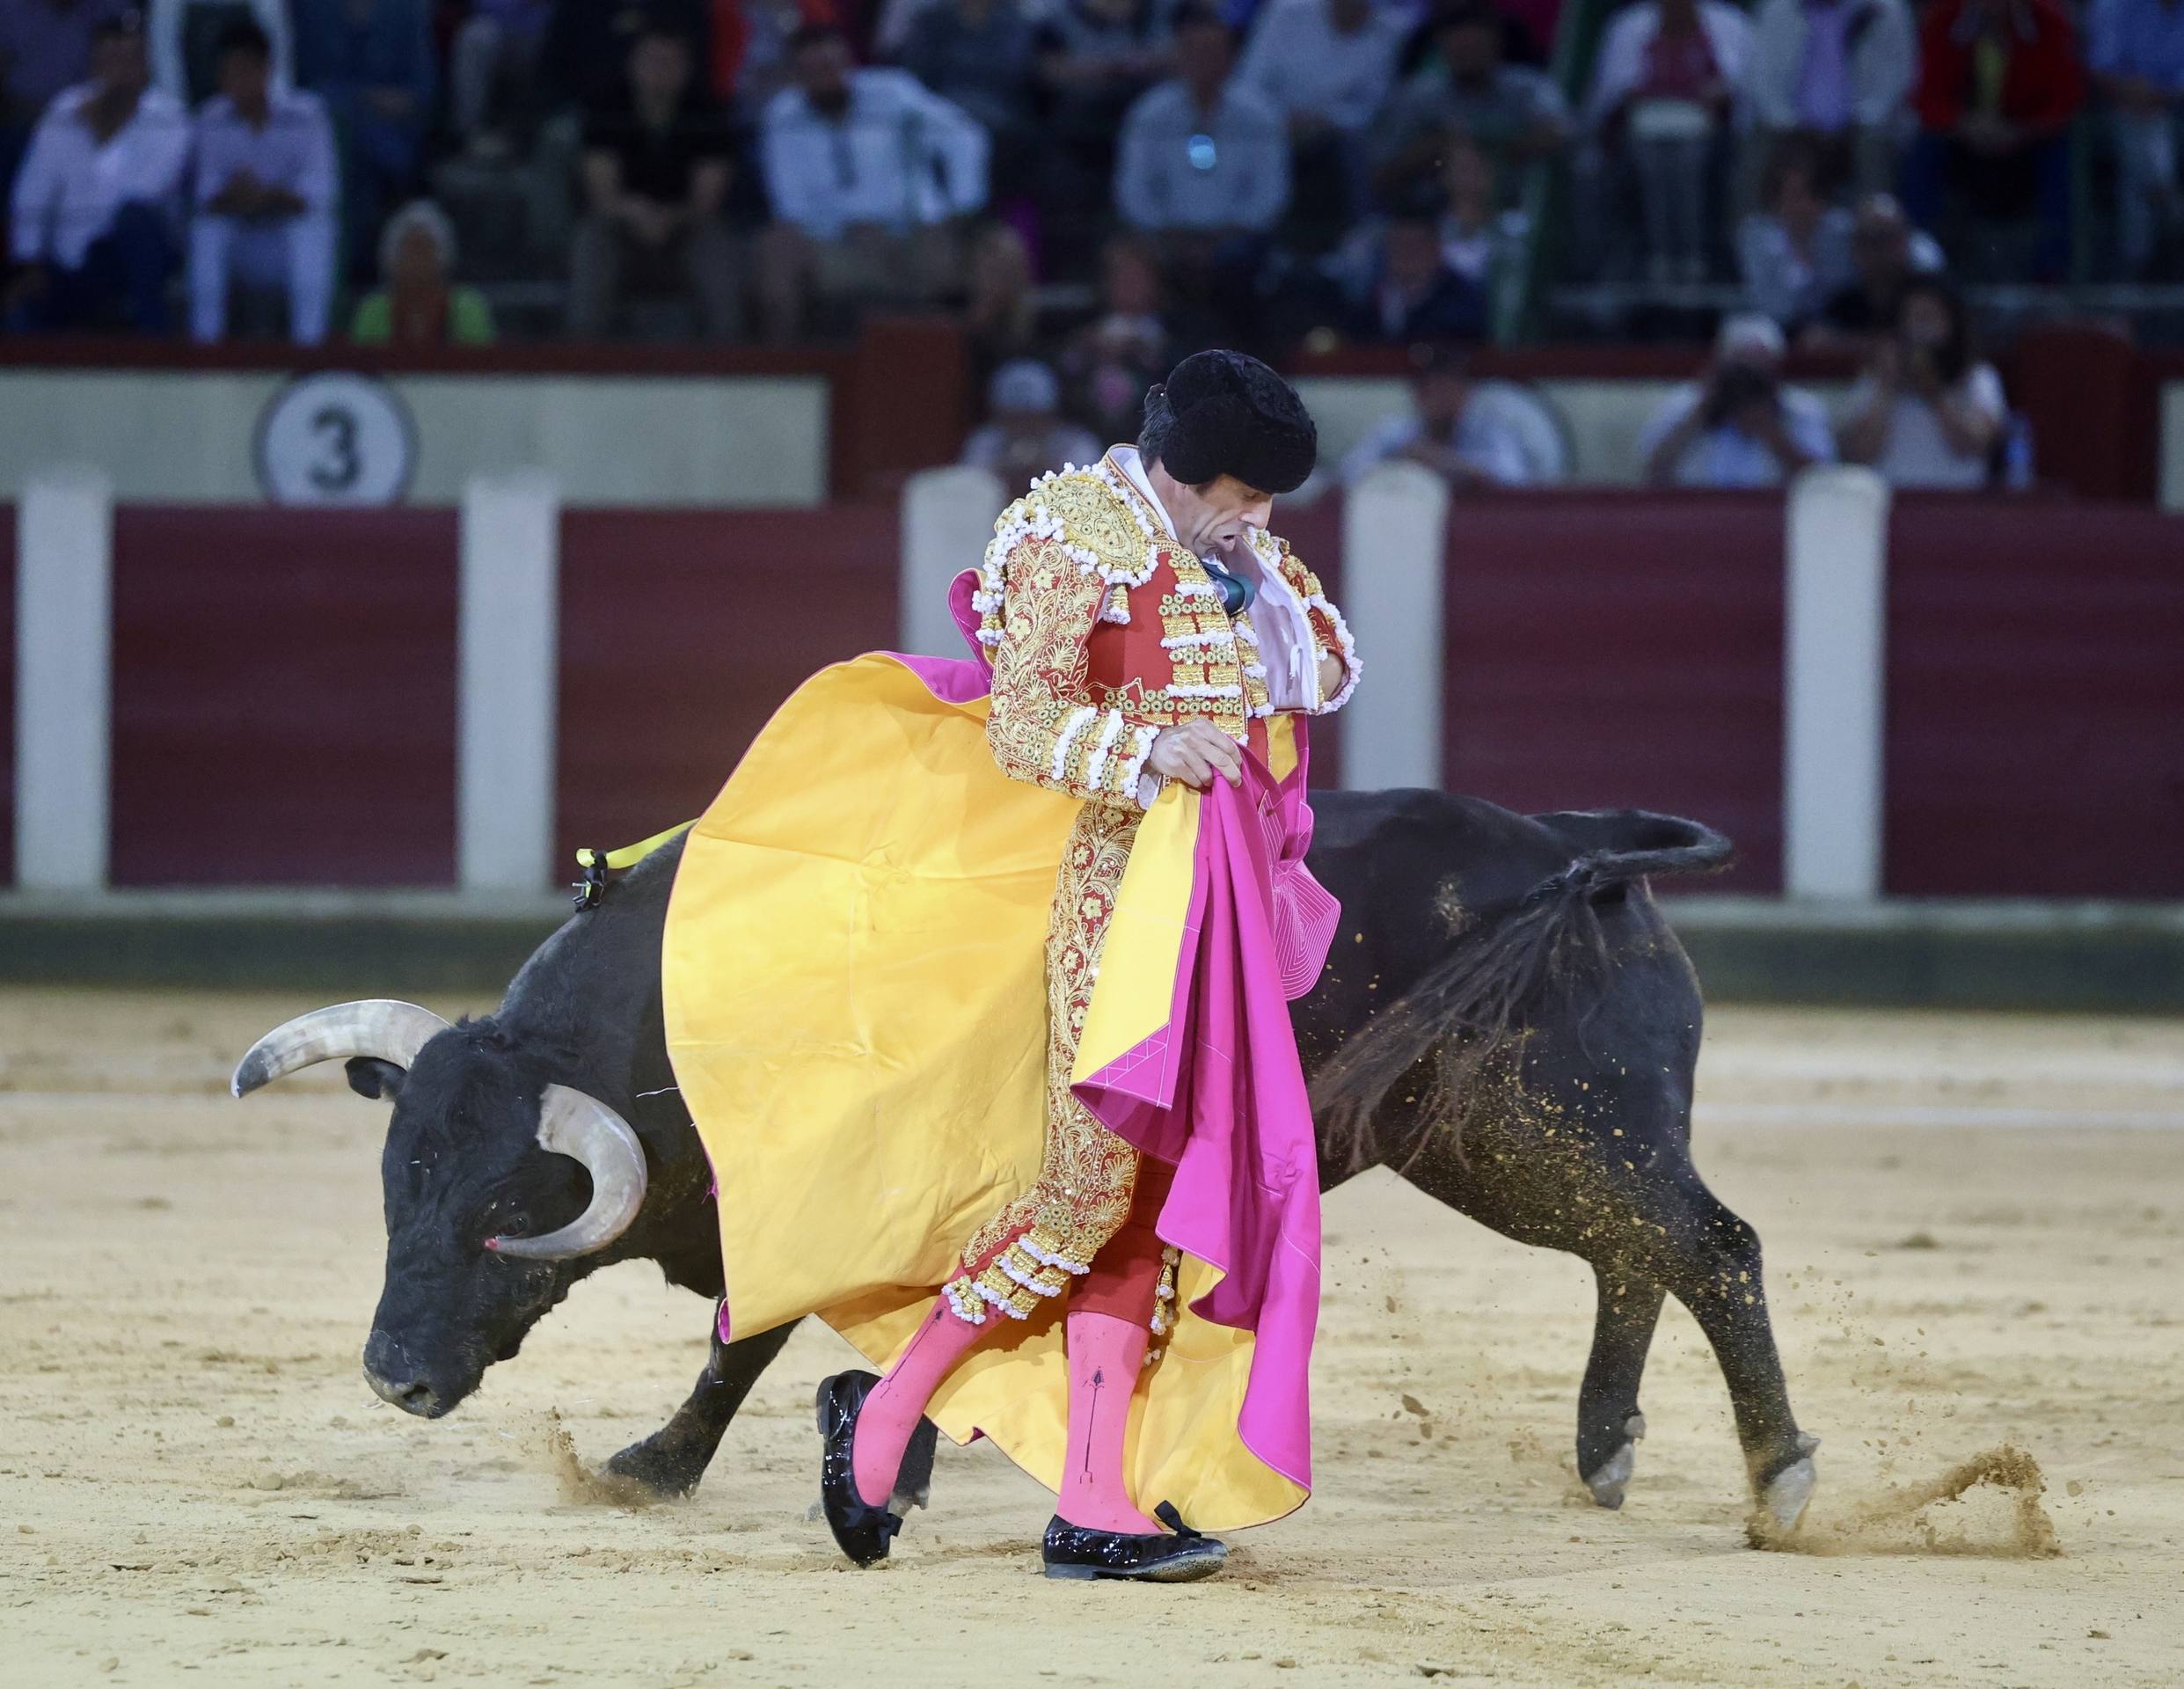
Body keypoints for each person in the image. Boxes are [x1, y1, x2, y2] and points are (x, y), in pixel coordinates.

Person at [668, 351, 1354, 1583]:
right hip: (1104, 900)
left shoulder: (1242, 554)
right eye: (1245, 496)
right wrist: (1147, 751)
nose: (1260, 518)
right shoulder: (1070, 531)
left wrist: (1252, 585)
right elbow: (1026, 723)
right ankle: (885, 1414)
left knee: (1153, 1203)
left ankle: (1091, 1503)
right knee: (1084, 1192)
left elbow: (1331, 672)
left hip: (1218, 914)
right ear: (1186, 471)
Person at [756, 20, 989, 342]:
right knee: (777, 249)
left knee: (997, 252)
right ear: (797, 76)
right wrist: (844, 228)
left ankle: (975, 359)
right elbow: (789, 203)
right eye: (814, 71)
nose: (827, 77)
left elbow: (963, 136)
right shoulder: (783, 117)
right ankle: (788, 366)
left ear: (848, 62)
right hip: (838, 246)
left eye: (833, 66)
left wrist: (961, 209)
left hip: (915, 236)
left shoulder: (893, 93)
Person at [5, 10, 187, 333]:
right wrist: (30, 262)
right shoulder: (63, 112)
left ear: (145, 65)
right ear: (93, 65)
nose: (120, 72)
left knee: (137, 223)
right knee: (20, 313)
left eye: (130, 60)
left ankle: (154, 345)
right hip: (67, 263)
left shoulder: (170, 120)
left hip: (128, 259)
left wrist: (102, 129)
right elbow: (31, 194)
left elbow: (142, 195)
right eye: (111, 60)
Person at [570, 21, 741, 339]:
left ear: (688, 68)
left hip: (686, 231)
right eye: (653, 60)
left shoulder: (709, 113)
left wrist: (669, 217)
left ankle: (728, 352)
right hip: (622, 230)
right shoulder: (606, 108)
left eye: (672, 62)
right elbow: (602, 193)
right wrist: (632, 212)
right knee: (593, 237)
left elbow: (707, 200)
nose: (662, 70)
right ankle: (582, 350)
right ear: (632, 64)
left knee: (715, 242)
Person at [1904, 0, 2084, 281]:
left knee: (2061, 157)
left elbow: (2064, 98)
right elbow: (1927, 97)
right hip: (1965, 144)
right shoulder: (1944, 20)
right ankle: (1916, 264)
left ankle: (2051, 272)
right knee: (1926, 150)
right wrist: (1965, 125)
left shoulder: (2049, 22)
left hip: (2026, 144)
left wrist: (2021, 131)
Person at [186, 19, 336, 345]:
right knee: (207, 231)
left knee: (313, 230)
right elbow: (205, 194)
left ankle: (309, 347)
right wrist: (238, 195)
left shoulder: (307, 115)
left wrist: (266, 195)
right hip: (238, 246)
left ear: (266, 69)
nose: (235, 82)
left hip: (285, 247)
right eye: (227, 73)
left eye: (243, 71)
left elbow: (320, 192)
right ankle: (204, 346)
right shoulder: (210, 118)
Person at [1583, 0, 1755, 283]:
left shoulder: (1726, 25)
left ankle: (1692, 254)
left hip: (1706, 132)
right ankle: (1660, 253)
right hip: (1643, 131)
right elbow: (1610, 93)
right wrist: (1640, 96)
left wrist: (1718, 94)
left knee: (1686, 166)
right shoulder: (1631, 26)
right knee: (1655, 170)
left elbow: (1741, 89)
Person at [1113, 4, 1289, 238]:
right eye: (1193, 53)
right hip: (1164, 239)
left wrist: (1231, 231)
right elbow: (1134, 191)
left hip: (1239, 239)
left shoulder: (1259, 116)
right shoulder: (1150, 114)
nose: (1203, 62)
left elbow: (1269, 193)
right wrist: (1166, 231)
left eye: (1211, 53)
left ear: (1230, 58)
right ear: (1179, 55)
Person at [293, 0, 436, 285]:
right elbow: (306, 85)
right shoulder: (311, 9)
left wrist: (379, 102)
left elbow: (422, 91)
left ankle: (348, 266)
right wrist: (363, 99)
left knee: (359, 152)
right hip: (332, 133)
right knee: (346, 141)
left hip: (392, 134)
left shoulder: (407, 10)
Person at [1236, 0, 1410, 226]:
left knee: (1356, 151)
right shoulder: (1286, 12)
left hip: (1335, 136)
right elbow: (1249, 82)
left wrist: (1327, 120)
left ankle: (1352, 231)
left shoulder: (1391, 31)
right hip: (1270, 123)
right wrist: (1278, 119)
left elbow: (1371, 107)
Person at [1376, 0, 1570, 185]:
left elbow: (1563, 134)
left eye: (1474, 46)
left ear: (1496, 41)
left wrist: (1492, 145)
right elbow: (1382, 175)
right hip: (1434, 203)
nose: (1468, 54)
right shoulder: (1417, 97)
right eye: (1460, 47)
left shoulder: (1528, 88)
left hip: (1513, 201)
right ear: (1441, 45)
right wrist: (1435, 149)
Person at [1837, 275, 2005, 487]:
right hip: (1893, 498)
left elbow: (1976, 445)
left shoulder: (1979, 377)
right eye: (1913, 317)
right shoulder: (1874, 380)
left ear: (1952, 323)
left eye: (1929, 317)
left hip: (1959, 499)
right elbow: (1856, 455)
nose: (1921, 330)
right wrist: (1886, 387)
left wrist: (1935, 393)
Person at [1637, 312, 1836, 486]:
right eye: (1740, 364)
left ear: (1775, 366)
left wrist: (1768, 427)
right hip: (1694, 511)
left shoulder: (1801, 409)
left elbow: (1821, 481)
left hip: (1774, 513)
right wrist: (1702, 410)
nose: (1746, 376)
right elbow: (1652, 473)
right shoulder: (1685, 402)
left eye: (1758, 364)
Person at [1743, 0, 1915, 201]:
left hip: (1860, 126)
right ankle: (1752, 220)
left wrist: (1862, 119)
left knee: (1872, 148)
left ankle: (1876, 214)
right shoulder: (1777, 9)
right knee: (1759, 146)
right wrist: (1789, 123)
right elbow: (1761, 80)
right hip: (1792, 127)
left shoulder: (1885, 10)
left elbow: (1897, 77)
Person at [1340, 341, 1538, 487]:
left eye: (1448, 388)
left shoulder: (1488, 429)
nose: (1440, 398)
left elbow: (1517, 479)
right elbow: (1348, 473)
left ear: (1465, 391)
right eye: (1430, 388)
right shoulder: (1396, 432)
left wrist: (1447, 463)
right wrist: (1399, 463)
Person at [2087, 0, 2184, 276]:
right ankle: (2165, 203)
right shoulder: (2115, 5)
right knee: (2144, 133)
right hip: (2122, 110)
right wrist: (2136, 92)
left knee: (2149, 136)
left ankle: (2137, 263)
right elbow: (2101, 66)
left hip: (2173, 107)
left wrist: (2163, 93)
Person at [1, 0, 127, 198]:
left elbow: (130, 64)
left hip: (92, 118)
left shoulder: (110, 7)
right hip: (21, 120)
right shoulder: (9, 8)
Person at [1799, 189, 1944, 348]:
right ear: (1855, 246)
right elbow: (1815, 339)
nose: (1877, 249)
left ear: (1905, 240)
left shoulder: (1931, 299)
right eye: (1867, 239)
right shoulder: (1844, 306)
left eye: (1886, 237)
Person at [1737, 136, 1855, 329]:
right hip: (1778, 328)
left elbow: (1842, 292)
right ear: (1776, 198)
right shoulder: (1757, 235)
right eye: (1795, 195)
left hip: (1835, 328)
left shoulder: (1841, 231)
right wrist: (1798, 248)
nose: (1804, 205)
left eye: (1812, 194)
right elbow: (1773, 306)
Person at [350, 197, 497, 343]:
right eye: (410, 252)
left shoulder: (469, 308)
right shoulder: (372, 310)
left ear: (443, 257)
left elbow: (481, 356)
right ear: (391, 258)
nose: (417, 262)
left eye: (424, 251)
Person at [960, 357, 1106, 490]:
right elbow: (968, 492)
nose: (1024, 427)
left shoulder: (1079, 445)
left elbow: (1089, 493)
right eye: (1014, 419)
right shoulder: (983, 443)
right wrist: (1002, 474)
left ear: (1052, 414)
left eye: (1033, 419)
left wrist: (1048, 472)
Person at [1346, 212, 1487, 342]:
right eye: (1399, 244)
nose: (1406, 253)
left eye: (1417, 245)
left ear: (1436, 250)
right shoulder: (1368, 300)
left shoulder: (1463, 303)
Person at [147, 0, 291, 106]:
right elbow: (165, 57)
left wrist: (276, 104)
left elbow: (278, 54)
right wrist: (177, 110)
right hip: (186, 109)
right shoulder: (165, 5)